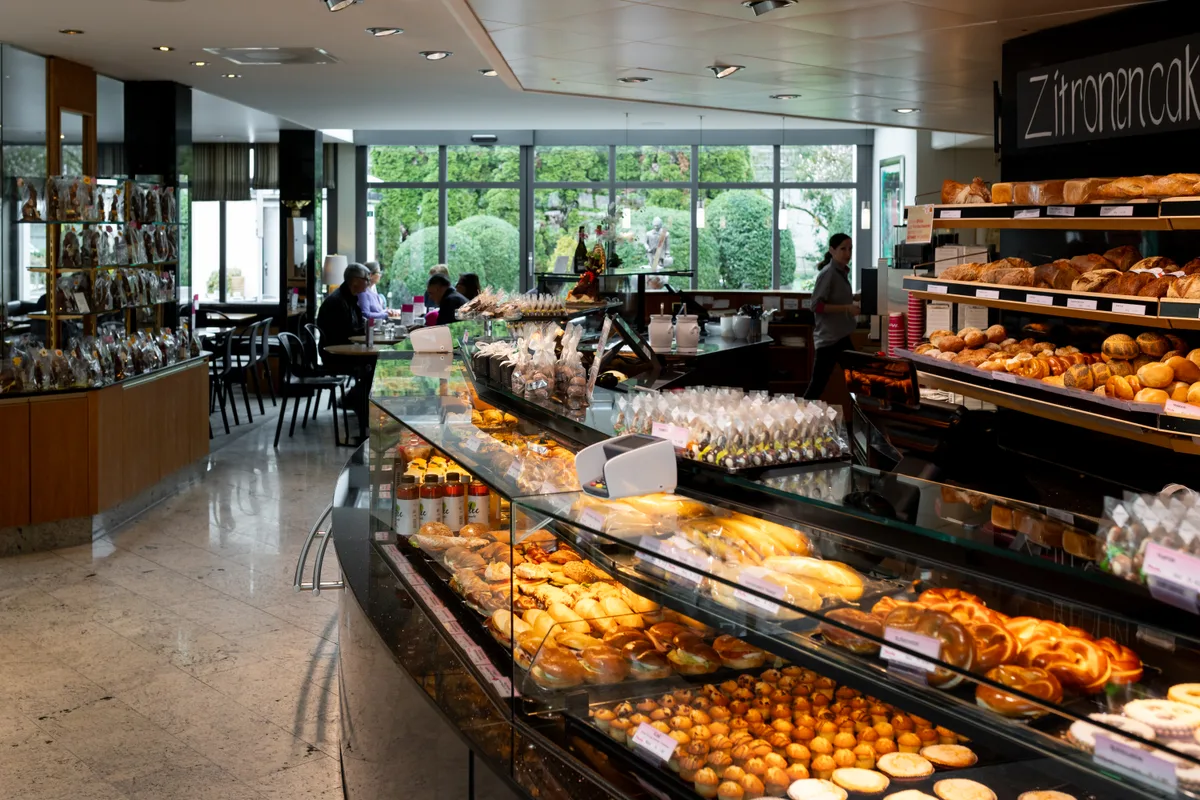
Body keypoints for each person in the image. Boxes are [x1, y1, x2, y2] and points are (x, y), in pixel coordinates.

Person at [804, 233, 860, 400]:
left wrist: (855, 298)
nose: (847, 253)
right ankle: (798, 420)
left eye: (850, 249)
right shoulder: (828, 273)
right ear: (832, 250)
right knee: (817, 387)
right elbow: (815, 305)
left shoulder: (841, 272)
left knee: (857, 379)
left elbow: (835, 297)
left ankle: (864, 416)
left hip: (840, 337)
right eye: (843, 249)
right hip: (829, 340)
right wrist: (847, 308)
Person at [316, 262, 369, 350]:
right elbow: (346, 333)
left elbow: (359, 322)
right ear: (355, 281)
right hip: (335, 352)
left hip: (346, 346)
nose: (368, 283)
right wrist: (367, 330)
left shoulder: (351, 297)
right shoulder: (337, 302)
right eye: (366, 279)